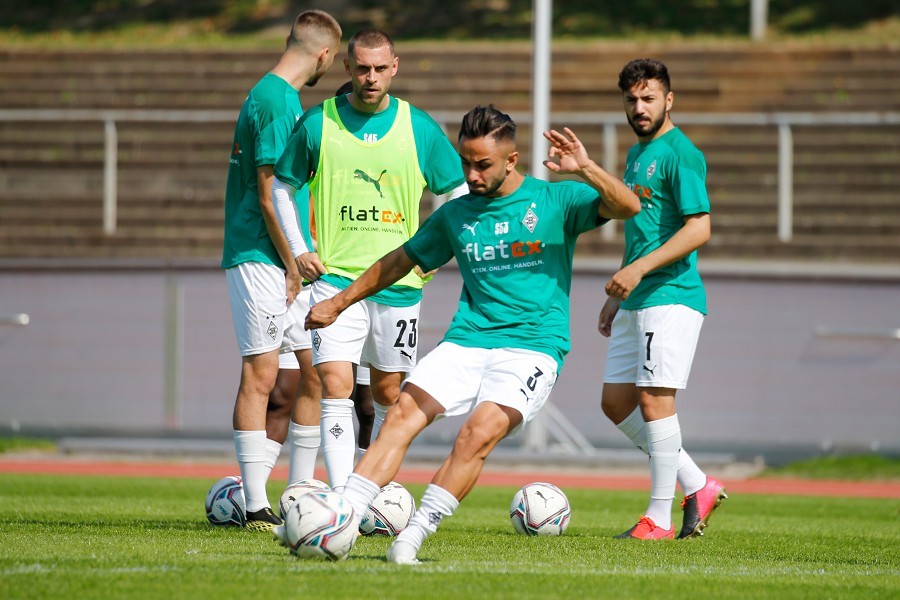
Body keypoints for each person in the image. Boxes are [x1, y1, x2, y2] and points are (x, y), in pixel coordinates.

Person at [301, 105, 641, 564]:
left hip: (532, 347)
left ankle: (413, 536)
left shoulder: (555, 201)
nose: (472, 174)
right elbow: (400, 260)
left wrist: (586, 168)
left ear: (511, 160)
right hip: (468, 339)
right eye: (466, 162)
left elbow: (628, 205)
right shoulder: (455, 215)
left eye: (483, 164)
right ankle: (343, 518)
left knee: (476, 434)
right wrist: (338, 303)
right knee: (401, 414)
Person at [271, 28, 468, 492]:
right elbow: (282, 185)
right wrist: (299, 248)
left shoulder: (418, 127)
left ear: (394, 67)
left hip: (398, 286)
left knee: (386, 394)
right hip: (335, 281)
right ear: (347, 68)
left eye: (381, 68)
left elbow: (458, 194)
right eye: (362, 68)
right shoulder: (318, 122)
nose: (371, 77)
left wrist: (432, 253)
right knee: (335, 384)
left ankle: (370, 494)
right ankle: (343, 498)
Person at [221, 9, 342, 531]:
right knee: (263, 374)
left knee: (310, 373)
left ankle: (298, 490)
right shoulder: (275, 100)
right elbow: (270, 197)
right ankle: (252, 507)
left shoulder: (279, 97)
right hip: (260, 256)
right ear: (323, 55)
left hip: (284, 259)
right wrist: (293, 262)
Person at [598, 58, 725, 541]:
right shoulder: (636, 153)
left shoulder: (680, 153)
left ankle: (658, 518)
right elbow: (645, 232)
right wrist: (619, 292)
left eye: (649, 98)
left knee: (654, 400)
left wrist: (638, 270)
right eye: (631, 99)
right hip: (637, 297)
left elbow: (700, 227)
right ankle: (697, 484)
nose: (639, 107)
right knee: (615, 403)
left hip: (671, 295)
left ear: (669, 100)